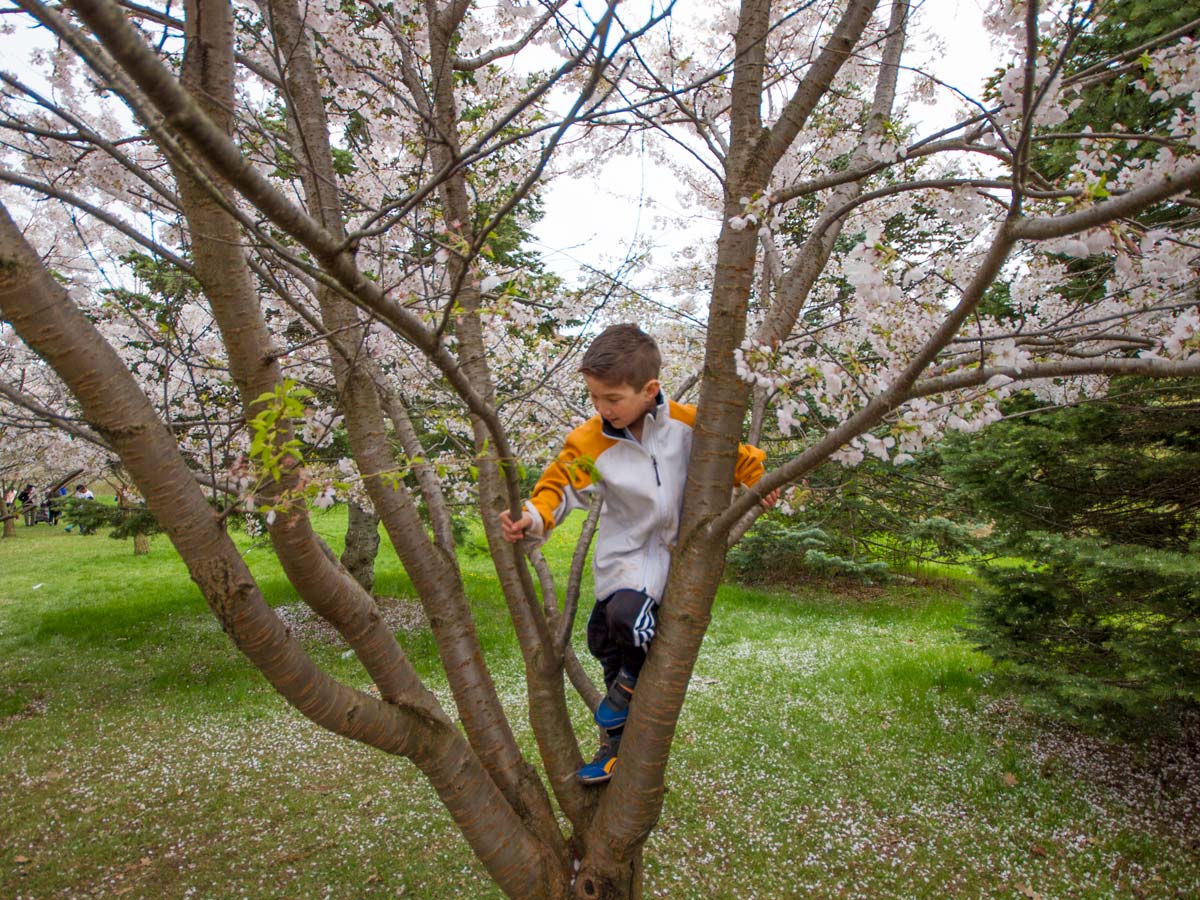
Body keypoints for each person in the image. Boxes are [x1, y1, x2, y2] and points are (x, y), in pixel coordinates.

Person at [499, 324, 777, 784]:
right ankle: (616, 745)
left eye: (612, 399)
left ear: (650, 391)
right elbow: (562, 483)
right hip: (623, 557)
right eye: (594, 399)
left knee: (630, 619)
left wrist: (758, 482)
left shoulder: (689, 424)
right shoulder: (593, 441)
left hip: (675, 559)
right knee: (601, 638)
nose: (602, 410)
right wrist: (534, 516)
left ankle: (630, 681)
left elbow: (738, 455)